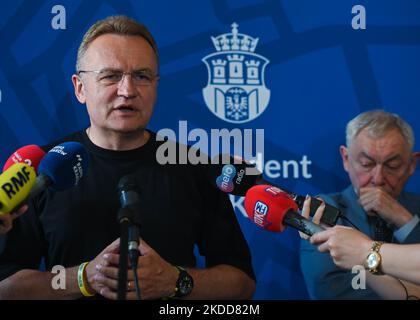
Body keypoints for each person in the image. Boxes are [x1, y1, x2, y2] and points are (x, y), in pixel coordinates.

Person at [0, 16, 255, 300]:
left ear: (156, 85)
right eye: (110, 76)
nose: (128, 91)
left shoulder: (194, 166)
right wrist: (83, 278)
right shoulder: (44, 169)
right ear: (80, 87)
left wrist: (175, 280)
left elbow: (242, 284)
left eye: (142, 76)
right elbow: (6, 287)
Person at [299, 110, 420, 299]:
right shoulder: (325, 211)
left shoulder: (416, 209)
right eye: (366, 164)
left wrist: (406, 222)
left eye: (392, 165)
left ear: (412, 164)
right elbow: (333, 292)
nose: (378, 179)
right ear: (346, 159)